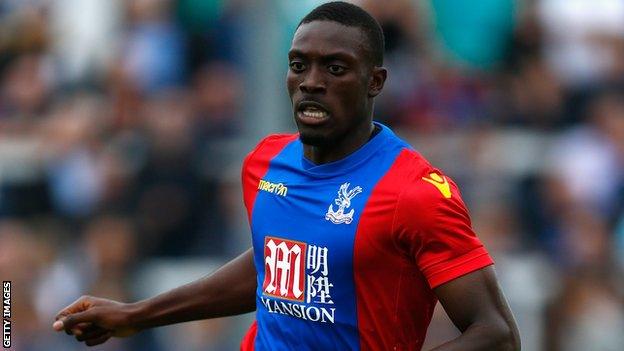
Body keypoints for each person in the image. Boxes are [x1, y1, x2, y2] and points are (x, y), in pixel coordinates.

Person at [52, 2, 520, 350]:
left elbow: (495, 333)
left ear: (375, 81)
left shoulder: (414, 192)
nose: (312, 81)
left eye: (335, 68)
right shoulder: (265, 162)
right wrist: (137, 315)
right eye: (299, 65)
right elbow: (271, 264)